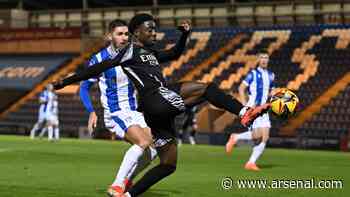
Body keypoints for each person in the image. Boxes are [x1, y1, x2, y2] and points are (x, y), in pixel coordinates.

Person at [54, 13, 270, 197]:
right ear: (136, 33)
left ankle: (128, 194)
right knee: (206, 89)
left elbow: (175, 53)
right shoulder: (128, 51)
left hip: (154, 111)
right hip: (156, 98)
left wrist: (184, 35)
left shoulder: (151, 53)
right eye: (150, 30)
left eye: (155, 29)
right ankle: (244, 113)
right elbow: (94, 70)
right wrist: (65, 81)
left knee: (167, 163)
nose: (154, 33)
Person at [78, 19, 157, 196]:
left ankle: (128, 181)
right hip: (115, 112)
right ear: (110, 36)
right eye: (119, 34)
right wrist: (91, 111)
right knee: (142, 142)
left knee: (155, 147)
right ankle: (117, 185)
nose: (123, 37)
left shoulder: (134, 56)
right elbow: (83, 87)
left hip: (134, 111)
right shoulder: (99, 59)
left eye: (126, 34)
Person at [225, 50, 275, 171]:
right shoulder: (252, 74)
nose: (264, 60)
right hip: (253, 109)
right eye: (262, 57)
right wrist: (244, 105)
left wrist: (278, 98)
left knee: (265, 136)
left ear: (268, 60)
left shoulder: (271, 75)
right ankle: (236, 138)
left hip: (264, 109)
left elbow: (272, 91)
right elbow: (241, 88)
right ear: (258, 59)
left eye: (266, 58)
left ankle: (250, 162)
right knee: (258, 135)